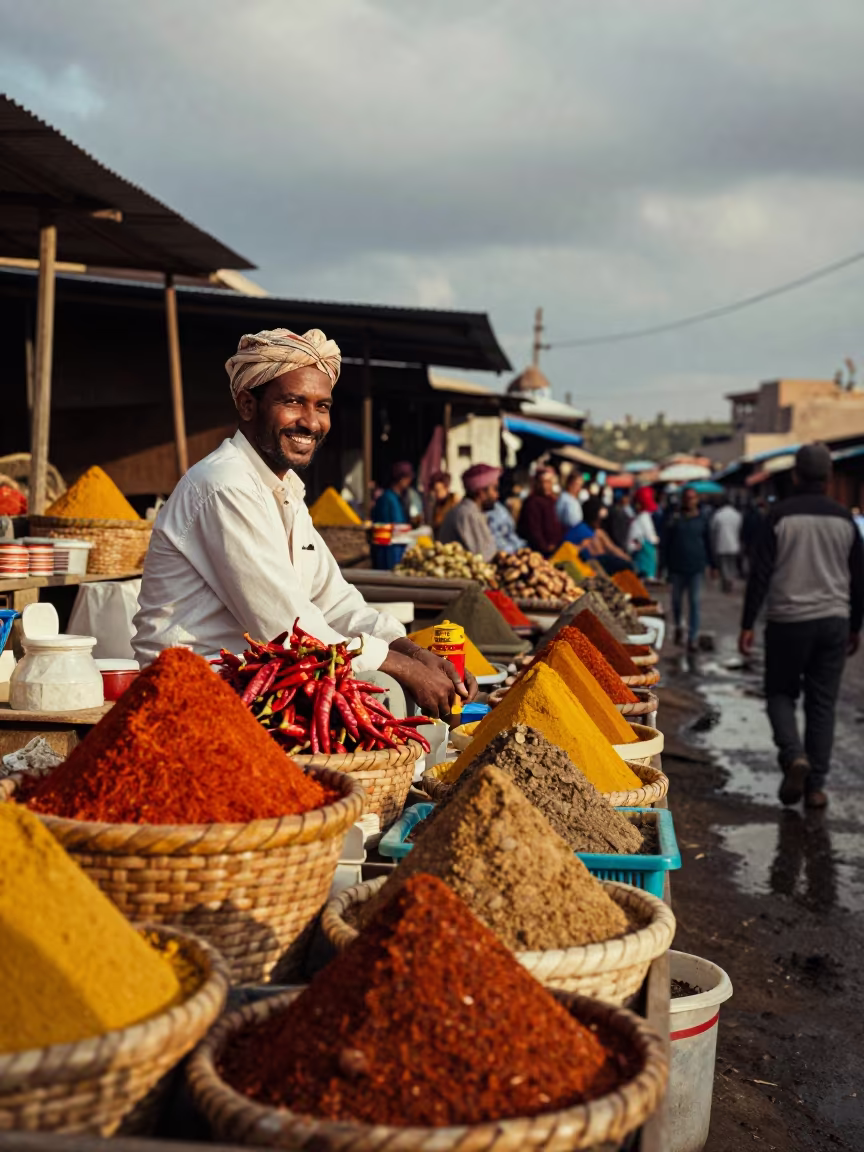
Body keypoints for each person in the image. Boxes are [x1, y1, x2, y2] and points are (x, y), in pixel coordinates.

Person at [133, 327, 476, 718]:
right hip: (194, 696)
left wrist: (414, 652)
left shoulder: (285, 492)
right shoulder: (225, 486)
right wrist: (401, 666)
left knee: (387, 689)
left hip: (256, 687)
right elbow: (288, 628)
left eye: (322, 406)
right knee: (382, 690)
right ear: (247, 405)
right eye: (293, 402)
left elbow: (335, 601)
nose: (311, 423)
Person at [739, 443, 864, 809]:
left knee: (780, 693)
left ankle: (794, 755)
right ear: (828, 477)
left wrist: (747, 624)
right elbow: (859, 580)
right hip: (833, 623)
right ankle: (816, 788)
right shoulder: (845, 519)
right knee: (822, 703)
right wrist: (855, 625)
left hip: (787, 622)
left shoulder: (779, 516)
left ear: (795, 475)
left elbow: (759, 574)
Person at [664, 486, 713, 650]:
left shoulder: (703, 519)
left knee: (694, 603)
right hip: (676, 567)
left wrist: (713, 565)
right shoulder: (674, 519)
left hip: (696, 568)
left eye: (692, 498)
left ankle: (692, 637)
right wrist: (663, 567)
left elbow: (709, 543)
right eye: (687, 498)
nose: (690, 501)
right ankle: (679, 626)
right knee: (676, 602)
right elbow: (666, 544)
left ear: (697, 500)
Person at [438, 464, 500, 560]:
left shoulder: (470, 511)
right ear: (481, 493)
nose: (497, 495)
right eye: (495, 489)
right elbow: (482, 558)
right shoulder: (467, 514)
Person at [517, 467, 563, 557]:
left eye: (548, 482)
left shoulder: (552, 501)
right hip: (538, 552)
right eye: (542, 482)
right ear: (537, 483)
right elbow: (533, 531)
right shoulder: (532, 502)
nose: (545, 486)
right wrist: (545, 547)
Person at [711, 498, 743, 592]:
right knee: (732, 564)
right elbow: (740, 529)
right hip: (734, 544)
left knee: (724, 565)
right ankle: (731, 580)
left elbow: (713, 529)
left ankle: (726, 581)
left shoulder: (718, 515)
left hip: (722, 543)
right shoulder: (737, 514)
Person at [628, 487, 660, 579]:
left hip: (642, 553)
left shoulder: (641, 516)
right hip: (644, 554)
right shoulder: (644, 517)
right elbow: (651, 537)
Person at [428, 471, 457, 537]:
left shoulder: (454, 503)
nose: (434, 494)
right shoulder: (437, 504)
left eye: (437, 490)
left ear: (447, 488)